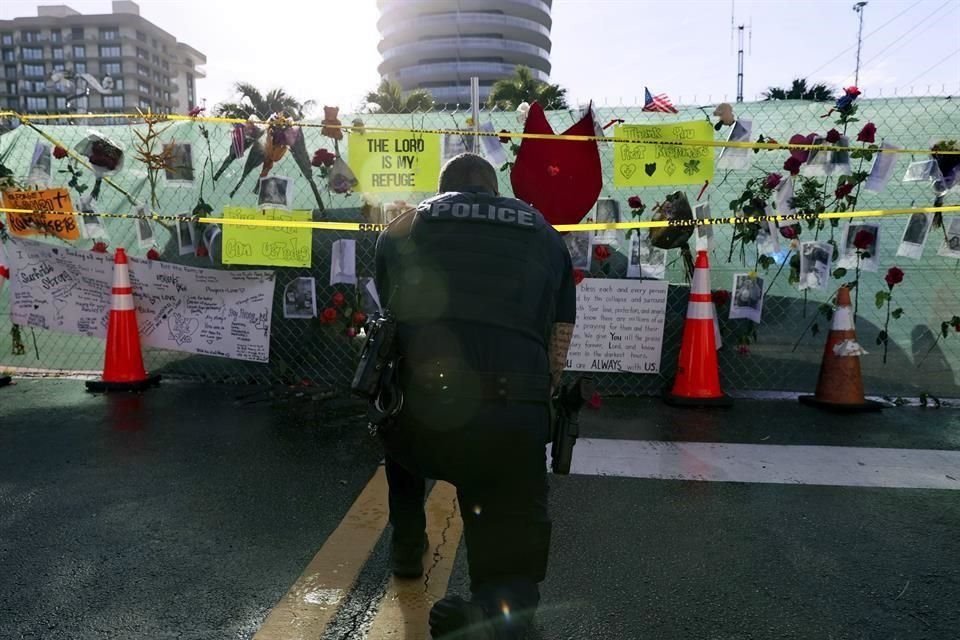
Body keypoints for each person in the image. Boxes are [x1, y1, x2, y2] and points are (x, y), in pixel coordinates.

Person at [373, 153, 576, 639]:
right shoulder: (544, 234)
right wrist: (539, 399)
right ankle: (500, 605)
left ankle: (406, 547)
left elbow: (390, 318)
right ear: (494, 188)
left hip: (424, 418)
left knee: (395, 422)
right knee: (512, 502)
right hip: (513, 416)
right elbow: (559, 336)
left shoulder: (405, 224)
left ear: (445, 188)